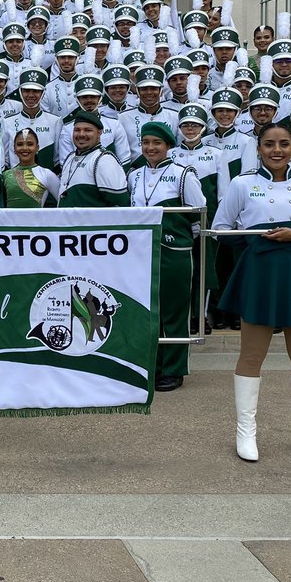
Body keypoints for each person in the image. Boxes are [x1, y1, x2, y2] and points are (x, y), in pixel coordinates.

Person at [213, 123, 291, 463]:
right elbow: (221, 229)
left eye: (284, 144)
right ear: (258, 149)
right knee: (251, 356)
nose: (277, 150)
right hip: (260, 275)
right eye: (269, 144)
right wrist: (254, 242)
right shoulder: (242, 185)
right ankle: (245, 432)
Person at [129, 123, 205, 392]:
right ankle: (153, 366)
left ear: (168, 146)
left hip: (174, 252)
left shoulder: (182, 174)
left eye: (157, 143)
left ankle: (174, 369)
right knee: (148, 309)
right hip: (141, 251)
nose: (150, 148)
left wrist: (179, 240)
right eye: (146, 142)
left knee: (174, 310)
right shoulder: (134, 175)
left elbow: (198, 213)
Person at [58, 111, 130, 207]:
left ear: (99, 133)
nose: (81, 134)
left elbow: (120, 202)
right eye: (77, 130)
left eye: (88, 130)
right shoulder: (70, 158)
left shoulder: (104, 160)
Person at [0, 127, 59, 208]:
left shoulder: (47, 174)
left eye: (30, 144)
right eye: (20, 144)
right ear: (14, 148)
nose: (25, 148)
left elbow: (63, 203)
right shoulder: (5, 175)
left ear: (37, 148)